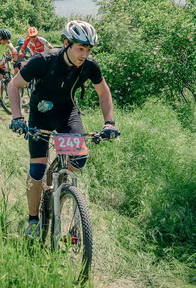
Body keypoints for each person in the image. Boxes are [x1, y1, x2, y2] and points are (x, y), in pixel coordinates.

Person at [7, 20, 120, 238]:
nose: (84, 54)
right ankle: (33, 220)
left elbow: (104, 92)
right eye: (80, 48)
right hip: (41, 115)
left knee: (79, 159)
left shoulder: (90, 66)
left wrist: (109, 123)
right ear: (66, 44)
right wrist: (17, 118)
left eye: (88, 50)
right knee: (37, 170)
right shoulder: (43, 60)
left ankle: (57, 184)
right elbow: (14, 85)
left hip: (67, 114)